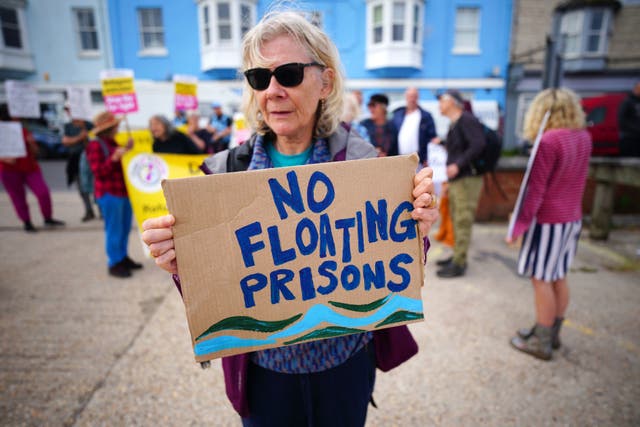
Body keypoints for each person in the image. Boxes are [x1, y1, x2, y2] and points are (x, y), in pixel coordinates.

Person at [141, 10, 438, 426]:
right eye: (260, 78)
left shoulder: (365, 164)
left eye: (290, 74)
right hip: (265, 376)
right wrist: (179, 263)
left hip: (345, 365)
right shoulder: (223, 175)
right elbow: (213, 290)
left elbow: (395, 264)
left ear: (325, 82)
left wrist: (417, 231)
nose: (273, 91)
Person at [506, 88, 591, 361]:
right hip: (571, 219)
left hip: (548, 220)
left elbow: (536, 191)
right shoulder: (583, 137)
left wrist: (518, 226)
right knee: (558, 275)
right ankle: (552, 332)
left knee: (541, 278)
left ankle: (542, 339)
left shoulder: (549, 141)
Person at [432, 89, 485, 278]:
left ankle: (459, 263)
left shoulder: (467, 120)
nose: (439, 104)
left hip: (466, 179)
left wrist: (458, 164)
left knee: (462, 219)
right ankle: (456, 256)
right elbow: (462, 145)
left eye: (442, 100)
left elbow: (479, 144)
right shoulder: (455, 124)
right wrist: (444, 142)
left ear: (452, 102)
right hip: (457, 180)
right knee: (456, 218)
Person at [86, 111, 143, 278]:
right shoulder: (95, 145)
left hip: (121, 192)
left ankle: (122, 257)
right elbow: (98, 172)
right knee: (114, 230)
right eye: (115, 126)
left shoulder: (111, 142)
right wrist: (113, 159)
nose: (118, 127)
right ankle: (114, 262)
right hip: (109, 193)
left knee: (124, 228)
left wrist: (126, 150)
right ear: (109, 128)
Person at [0, 105, 65, 232]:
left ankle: (48, 218)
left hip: (30, 168)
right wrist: (4, 159)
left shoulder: (23, 130)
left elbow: (36, 151)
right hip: (9, 170)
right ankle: (27, 222)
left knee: (43, 192)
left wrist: (31, 143)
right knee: (18, 197)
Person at [62, 106, 97, 221]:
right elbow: (65, 141)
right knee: (82, 188)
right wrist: (79, 138)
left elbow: (95, 139)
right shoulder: (68, 126)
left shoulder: (88, 125)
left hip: (92, 159)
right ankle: (88, 210)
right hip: (75, 160)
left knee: (96, 185)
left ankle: (101, 210)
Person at [392, 87, 436, 167]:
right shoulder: (397, 115)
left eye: (414, 96)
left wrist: (427, 158)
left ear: (417, 97)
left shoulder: (425, 116)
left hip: (418, 160)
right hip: (399, 158)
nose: (412, 99)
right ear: (406, 97)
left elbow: (432, 138)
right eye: (410, 96)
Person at [617, 81, 640, 157]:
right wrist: (636, 129)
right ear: (635, 89)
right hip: (628, 138)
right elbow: (621, 120)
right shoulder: (627, 102)